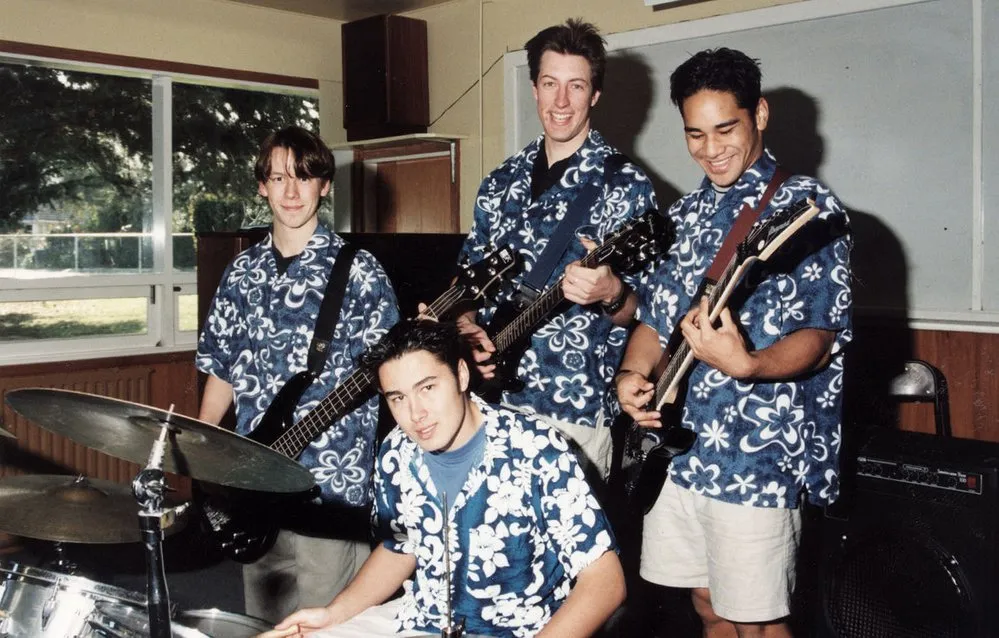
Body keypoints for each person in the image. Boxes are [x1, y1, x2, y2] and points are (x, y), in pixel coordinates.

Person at [615, 48, 852, 637]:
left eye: (726, 128)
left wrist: (746, 365)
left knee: (759, 621)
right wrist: (631, 375)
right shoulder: (688, 211)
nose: (710, 148)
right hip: (679, 451)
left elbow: (818, 339)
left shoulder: (809, 209)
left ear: (760, 115)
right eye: (695, 133)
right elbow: (653, 317)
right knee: (706, 604)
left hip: (759, 457)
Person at [273, 320, 624, 637]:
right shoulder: (397, 451)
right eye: (398, 398)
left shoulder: (535, 449)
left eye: (427, 388)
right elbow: (400, 547)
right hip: (422, 617)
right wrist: (335, 614)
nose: (415, 414)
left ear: (461, 375)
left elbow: (605, 583)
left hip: (519, 631)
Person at [195, 126, 400, 623]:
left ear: (324, 186)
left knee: (325, 622)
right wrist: (203, 458)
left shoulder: (360, 271)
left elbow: (396, 371)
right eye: (278, 178)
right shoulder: (241, 272)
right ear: (261, 185)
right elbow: (224, 366)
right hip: (256, 479)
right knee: (262, 622)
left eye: (304, 178)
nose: (291, 192)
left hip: (331, 487)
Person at [455, 19, 657, 484]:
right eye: (550, 84)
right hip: (486, 403)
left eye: (576, 86)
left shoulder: (625, 187)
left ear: (595, 94)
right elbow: (465, 283)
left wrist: (611, 291)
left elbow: (646, 315)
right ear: (534, 88)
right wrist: (465, 325)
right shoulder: (499, 182)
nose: (561, 102)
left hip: (574, 412)